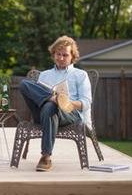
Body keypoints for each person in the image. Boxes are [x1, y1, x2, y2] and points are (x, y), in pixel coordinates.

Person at [19, 36, 92, 172]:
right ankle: (53, 98)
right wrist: (52, 98)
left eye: (65, 55)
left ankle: (45, 157)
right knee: (24, 84)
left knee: (50, 106)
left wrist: (68, 103)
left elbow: (86, 103)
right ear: (54, 55)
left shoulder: (80, 75)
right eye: (59, 54)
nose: (61, 58)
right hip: (42, 113)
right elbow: (35, 98)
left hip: (69, 114)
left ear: (72, 56)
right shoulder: (44, 75)